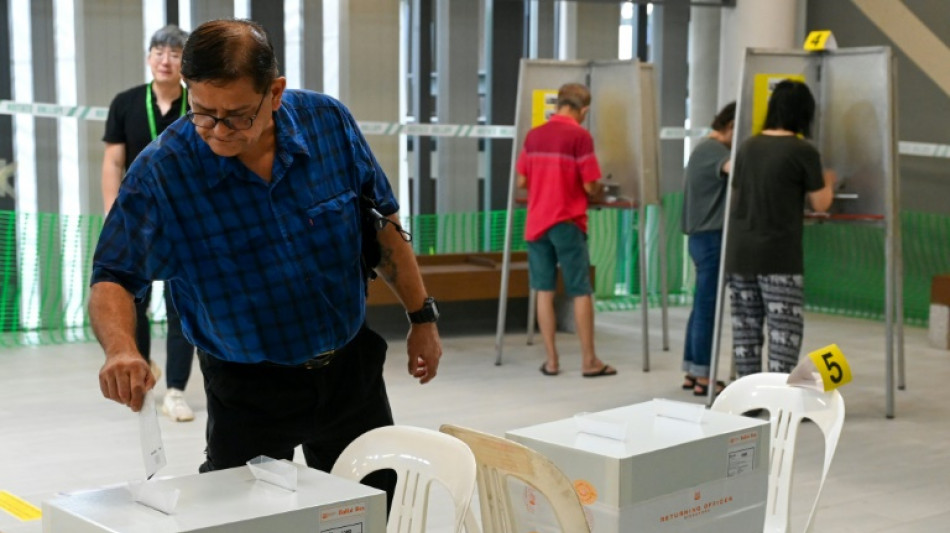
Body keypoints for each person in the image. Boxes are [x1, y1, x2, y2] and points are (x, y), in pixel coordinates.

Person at [89, 19, 442, 495]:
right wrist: (121, 349)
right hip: (246, 391)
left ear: (275, 92)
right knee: (246, 519)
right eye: (201, 112)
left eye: (235, 115)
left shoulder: (328, 124)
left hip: (348, 376)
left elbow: (383, 227)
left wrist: (422, 317)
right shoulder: (163, 172)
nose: (216, 131)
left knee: (371, 506)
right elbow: (112, 274)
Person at [101, 24, 197, 422]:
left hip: (185, 222)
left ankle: (175, 390)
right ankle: (141, 371)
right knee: (132, 303)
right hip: (137, 223)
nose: (165, 59)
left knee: (181, 308)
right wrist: (112, 214)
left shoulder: (199, 102)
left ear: (184, 62)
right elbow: (113, 161)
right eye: (159, 51)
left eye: (175, 53)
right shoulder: (125, 103)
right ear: (148, 57)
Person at [724, 80, 835, 378]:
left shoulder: (747, 147)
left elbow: (738, 192)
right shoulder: (802, 151)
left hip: (740, 252)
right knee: (783, 332)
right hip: (779, 255)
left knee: (745, 332)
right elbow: (821, 203)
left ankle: (748, 403)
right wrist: (830, 180)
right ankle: (778, 402)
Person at [516, 83, 616, 378]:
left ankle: (552, 361)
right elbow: (589, 185)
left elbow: (522, 181)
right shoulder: (580, 136)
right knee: (580, 290)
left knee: (543, 290)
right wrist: (594, 187)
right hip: (567, 222)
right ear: (583, 110)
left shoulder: (534, 135)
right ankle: (589, 361)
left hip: (536, 223)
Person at [680, 102, 735, 396]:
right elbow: (735, 169)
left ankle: (692, 370)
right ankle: (704, 376)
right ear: (731, 125)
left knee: (701, 305)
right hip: (711, 237)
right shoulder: (715, 152)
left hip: (701, 237)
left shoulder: (701, 148)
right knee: (707, 308)